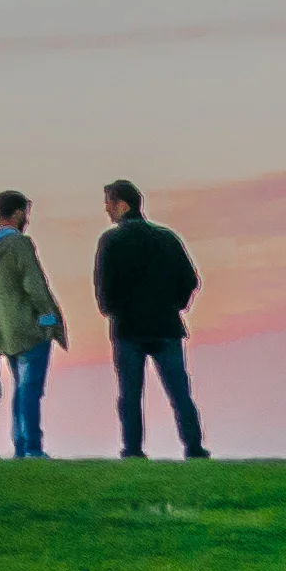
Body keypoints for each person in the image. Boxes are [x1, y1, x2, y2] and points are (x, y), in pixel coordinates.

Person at [94, 178, 211, 459]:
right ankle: (194, 447)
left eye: (109, 204)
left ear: (122, 205)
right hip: (166, 325)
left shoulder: (111, 240)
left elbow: (103, 286)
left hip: (128, 327)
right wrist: (176, 305)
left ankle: (133, 449)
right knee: (180, 393)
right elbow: (191, 279)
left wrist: (112, 310)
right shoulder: (166, 237)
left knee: (130, 394)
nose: (107, 210)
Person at [0, 190, 70, 458]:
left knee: (20, 387)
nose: (27, 219)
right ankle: (32, 448)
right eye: (25, 212)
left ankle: (21, 447)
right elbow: (35, 286)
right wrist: (51, 322)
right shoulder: (19, 245)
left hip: (1, 330)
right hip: (29, 328)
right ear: (17, 213)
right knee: (30, 388)